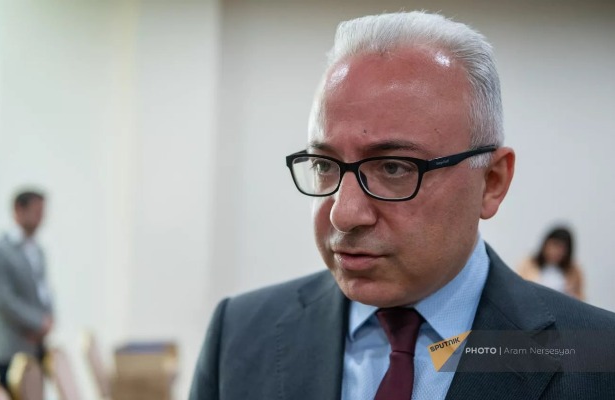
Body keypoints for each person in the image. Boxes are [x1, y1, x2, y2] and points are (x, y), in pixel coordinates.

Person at [189, 11, 615, 399]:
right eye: (324, 164)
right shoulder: (240, 334)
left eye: (393, 168)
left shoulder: (598, 359)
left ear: (491, 182)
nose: (343, 213)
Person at [0, 190, 53, 392]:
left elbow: (43, 290)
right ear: (18, 210)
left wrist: (49, 319)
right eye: (36, 211)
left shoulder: (37, 250)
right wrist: (38, 323)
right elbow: (4, 300)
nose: (40, 217)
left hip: (37, 346)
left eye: (42, 212)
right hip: (12, 346)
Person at [518, 226, 585, 300]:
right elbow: (519, 289)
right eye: (554, 245)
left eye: (562, 248)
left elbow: (581, 298)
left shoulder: (574, 271)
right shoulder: (529, 264)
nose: (557, 252)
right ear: (545, 244)